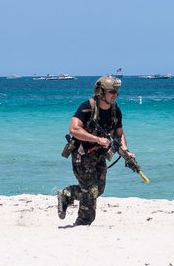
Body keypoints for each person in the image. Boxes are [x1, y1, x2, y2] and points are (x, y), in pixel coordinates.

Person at [57, 75, 138, 226]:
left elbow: (119, 135)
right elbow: (74, 129)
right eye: (112, 92)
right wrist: (97, 139)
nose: (115, 95)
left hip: (99, 155)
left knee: (98, 190)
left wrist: (126, 152)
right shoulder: (87, 107)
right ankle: (83, 222)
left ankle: (66, 194)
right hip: (82, 154)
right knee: (90, 190)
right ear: (101, 92)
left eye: (117, 92)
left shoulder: (115, 111)